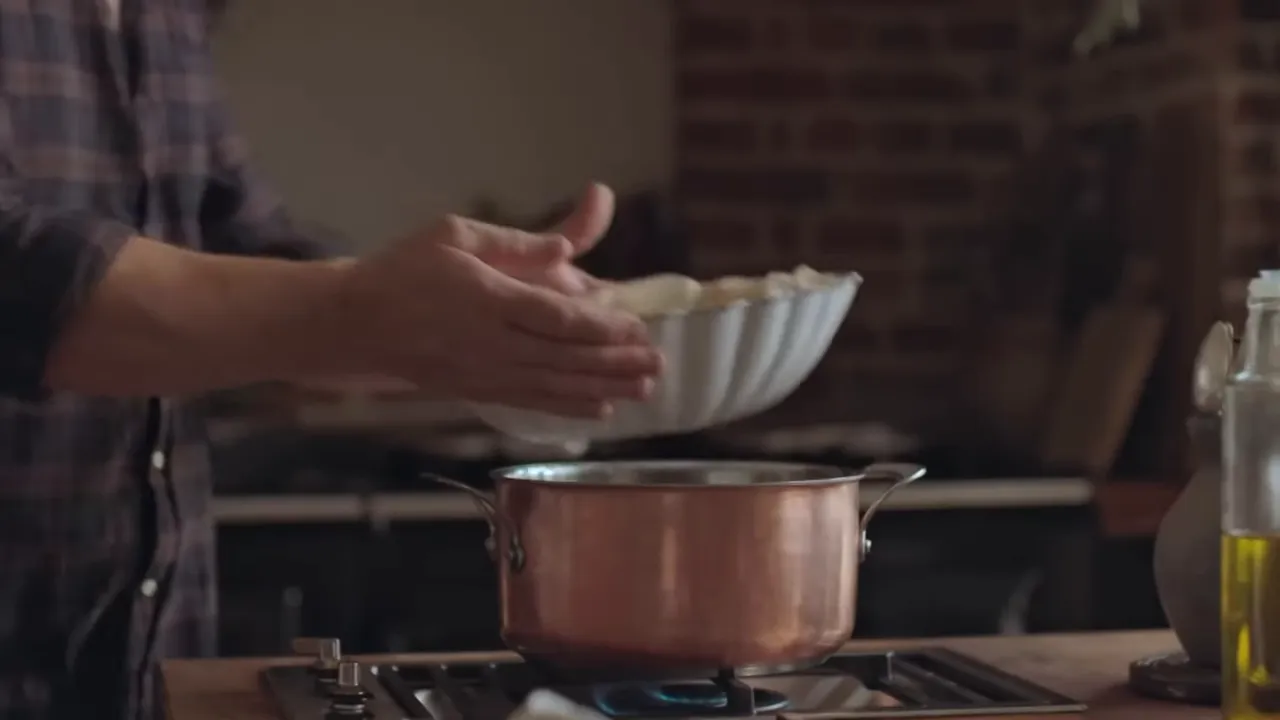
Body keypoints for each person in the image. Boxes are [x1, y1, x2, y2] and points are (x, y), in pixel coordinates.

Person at [0, 2, 663, 718]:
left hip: (149, 677)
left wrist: (483, 309)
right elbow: (21, 275)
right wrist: (363, 311)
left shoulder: (163, 17)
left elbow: (253, 256)